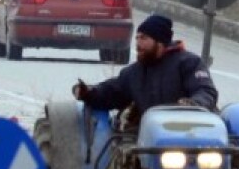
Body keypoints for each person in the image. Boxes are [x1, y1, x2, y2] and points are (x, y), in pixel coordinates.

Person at [72, 14, 218, 125]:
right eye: (137, 38)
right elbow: (113, 92)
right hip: (152, 139)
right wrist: (89, 93)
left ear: (159, 42)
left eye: (144, 38)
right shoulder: (134, 73)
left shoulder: (189, 63)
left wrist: (193, 105)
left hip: (191, 132)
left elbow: (206, 91)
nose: (138, 44)